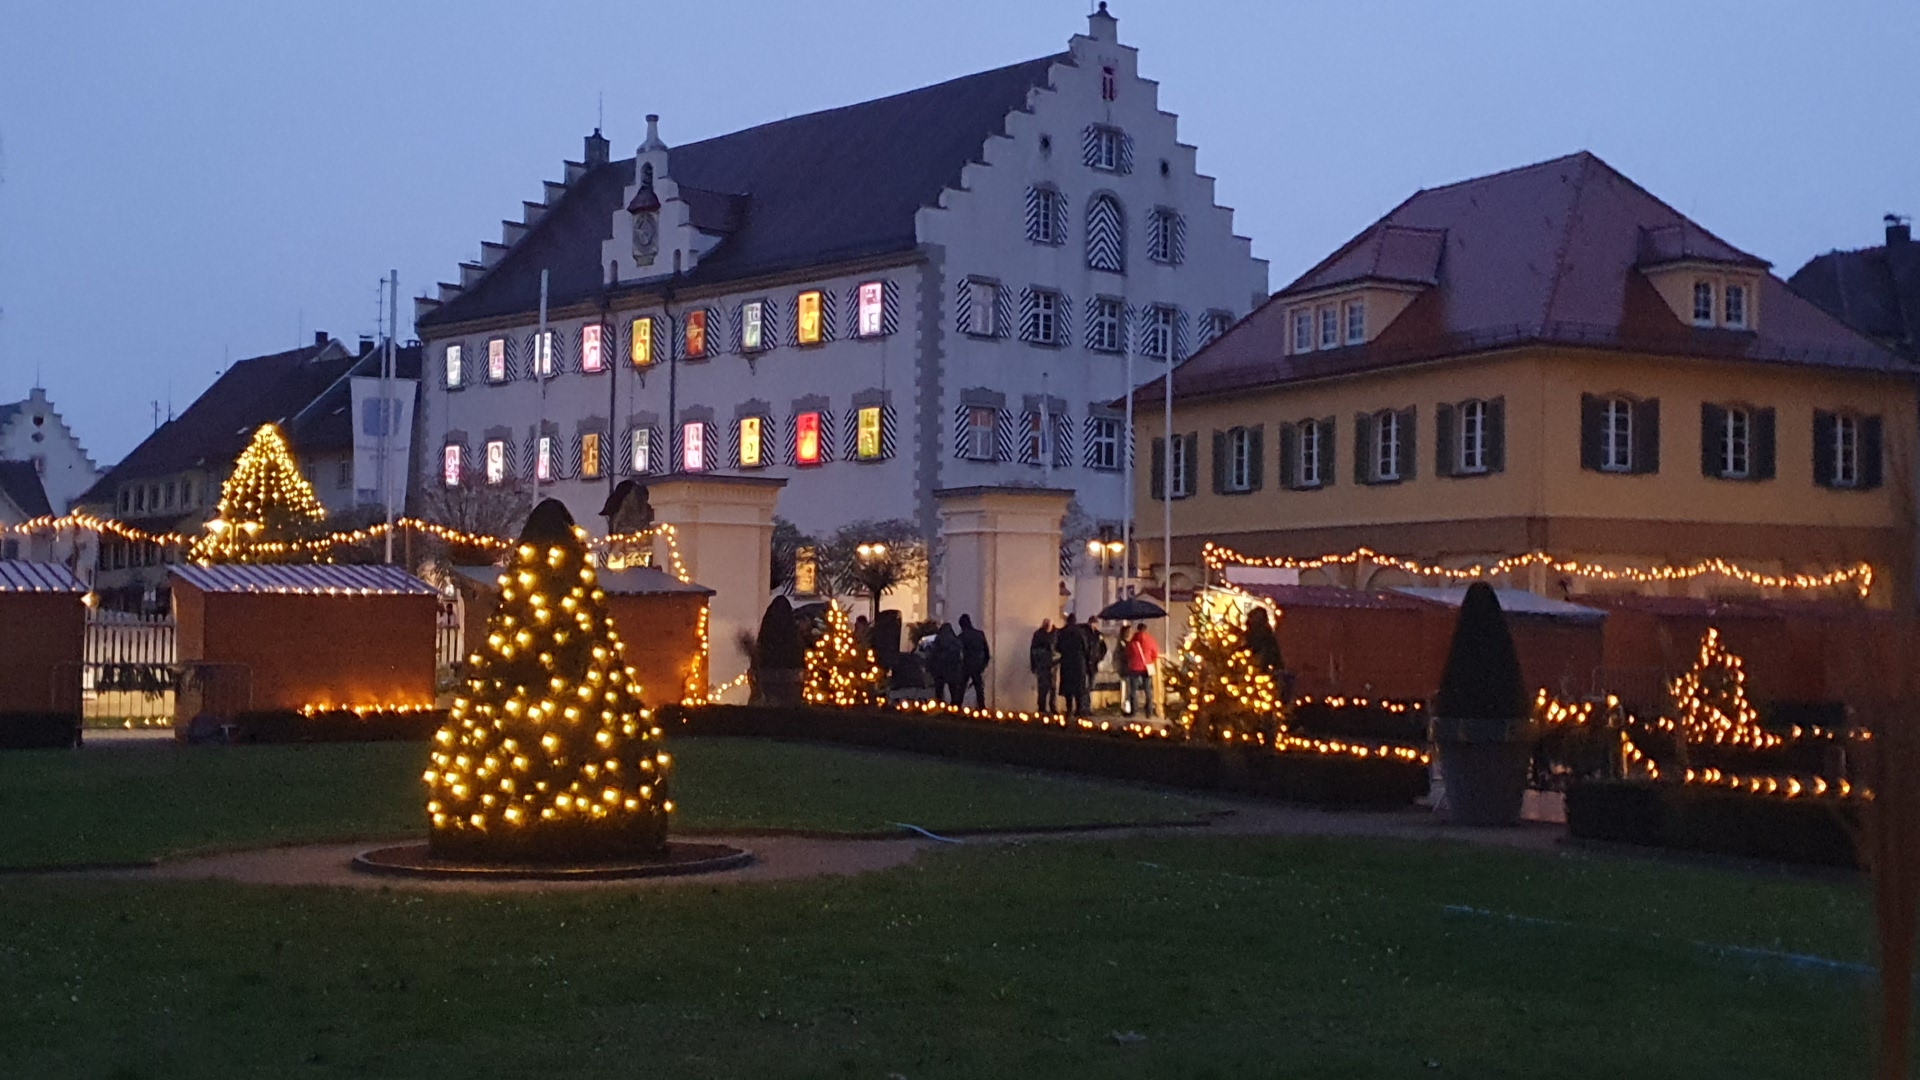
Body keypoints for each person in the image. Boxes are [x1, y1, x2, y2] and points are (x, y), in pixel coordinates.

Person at [1055, 613, 1089, 717]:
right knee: (1079, 687)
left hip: (1067, 661)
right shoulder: (1081, 632)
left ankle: (1069, 709)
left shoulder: (1062, 632)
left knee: (1068, 687)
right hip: (1079, 662)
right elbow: (1086, 647)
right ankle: (1079, 709)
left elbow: (1057, 647)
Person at [1124, 621, 1160, 718]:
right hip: (1147, 667)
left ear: (1138, 629)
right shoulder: (1151, 640)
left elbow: (1128, 654)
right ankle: (1149, 711)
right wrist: (1149, 660)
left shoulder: (1133, 641)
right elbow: (1155, 653)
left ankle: (1134, 711)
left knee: (1133, 690)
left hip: (1134, 667)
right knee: (1148, 689)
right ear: (1145, 629)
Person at [957, 614, 991, 708]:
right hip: (978, 665)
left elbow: (958, 653)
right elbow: (987, 652)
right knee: (979, 689)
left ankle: (957, 708)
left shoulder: (962, 636)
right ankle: (982, 708)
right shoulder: (980, 634)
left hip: (966, 665)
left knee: (961, 689)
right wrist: (983, 665)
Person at [929, 623, 965, 706]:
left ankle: (939, 705)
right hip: (952, 669)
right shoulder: (955, 640)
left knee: (939, 690)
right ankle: (955, 706)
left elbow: (933, 654)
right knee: (953, 689)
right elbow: (959, 655)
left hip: (940, 668)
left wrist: (932, 667)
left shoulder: (938, 639)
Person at [1029, 619, 1058, 713]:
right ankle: (1042, 707)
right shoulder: (1039, 635)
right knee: (1043, 687)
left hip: (1052, 665)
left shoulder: (1055, 634)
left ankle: (1052, 706)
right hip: (1042, 664)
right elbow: (1033, 650)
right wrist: (1034, 665)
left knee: (1052, 687)